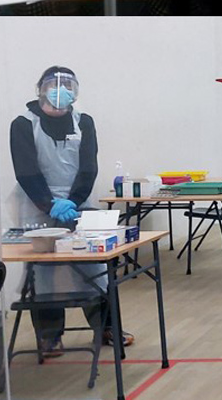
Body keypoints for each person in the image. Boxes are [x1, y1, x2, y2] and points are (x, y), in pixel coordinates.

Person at [9, 66, 132, 356]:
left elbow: (89, 167)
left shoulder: (83, 122)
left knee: (96, 266)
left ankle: (107, 327)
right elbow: (25, 171)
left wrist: (73, 202)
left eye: (67, 85)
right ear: (40, 89)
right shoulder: (23, 124)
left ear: (75, 92)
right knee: (43, 274)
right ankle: (49, 337)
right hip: (37, 205)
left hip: (79, 203)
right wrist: (49, 204)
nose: (60, 90)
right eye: (53, 84)